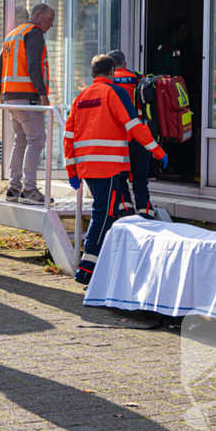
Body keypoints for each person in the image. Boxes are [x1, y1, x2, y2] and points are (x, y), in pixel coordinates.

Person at [64, 54, 167, 285]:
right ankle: (87, 268)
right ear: (112, 72)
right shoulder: (116, 93)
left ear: (92, 73)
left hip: (87, 166)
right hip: (108, 167)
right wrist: (158, 151)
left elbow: (68, 136)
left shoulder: (80, 97)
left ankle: (103, 266)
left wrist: (72, 171)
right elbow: (135, 127)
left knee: (107, 212)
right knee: (104, 214)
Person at [0, 3, 56, 206]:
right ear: (39, 15)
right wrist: (43, 94)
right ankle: (29, 189)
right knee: (37, 140)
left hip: (12, 99)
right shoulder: (34, 32)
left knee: (20, 141)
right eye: (49, 20)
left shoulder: (13, 35)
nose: (51, 25)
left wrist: (1, 93)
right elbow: (33, 64)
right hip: (27, 98)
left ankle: (14, 189)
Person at [107, 50, 152, 217]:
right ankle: (145, 210)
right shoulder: (140, 78)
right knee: (140, 177)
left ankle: (125, 209)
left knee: (119, 177)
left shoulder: (109, 82)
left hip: (120, 137)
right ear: (125, 64)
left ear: (110, 67)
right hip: (141, 134)